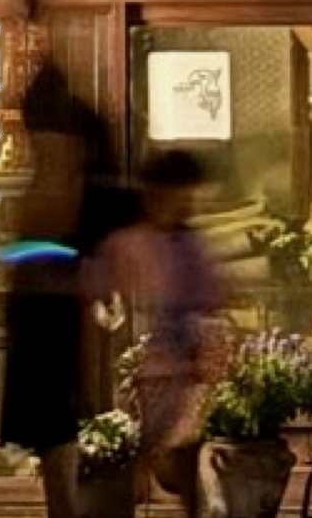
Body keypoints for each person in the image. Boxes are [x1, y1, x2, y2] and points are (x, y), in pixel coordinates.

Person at [0, 0, 138, 518]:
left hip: (50, 291)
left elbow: (66, 225)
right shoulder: (74, 158)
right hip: (47, 290)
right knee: (54, 420)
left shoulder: (72, 159)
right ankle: (64, 506)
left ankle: (66, 507)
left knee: (55, 417)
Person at [88, 149, 226, 517]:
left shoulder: (185, 244)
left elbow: (208, 301)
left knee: (179, 458)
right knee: (163, 457)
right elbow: (106, 279)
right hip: (158, 369)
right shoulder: (139, 240)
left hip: (181, 368)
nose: (187, 203)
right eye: (182, 194)